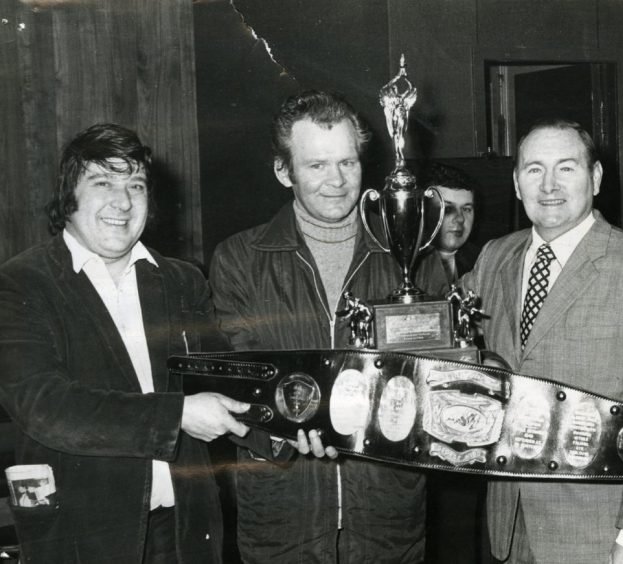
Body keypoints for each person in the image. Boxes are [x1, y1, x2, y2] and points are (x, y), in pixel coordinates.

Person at [209, 91, 448, 563]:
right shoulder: (239, 258)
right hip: (283, 517)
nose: (336, 181)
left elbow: (436, 378)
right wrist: (279, 431)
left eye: (348, 163)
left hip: (388, 519)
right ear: (284, 171)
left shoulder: (415, 259)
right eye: (316, 165)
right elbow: (235, 376)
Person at [0, 123, 251, 563]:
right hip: (83, 538)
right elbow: (45, 406)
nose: (122, 200)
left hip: (185, 532)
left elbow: (223, 379)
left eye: (135, 184)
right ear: (68, 196)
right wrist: (177, 414)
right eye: (102, 182)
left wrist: (294, 427)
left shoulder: (181, 279)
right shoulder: (21, 284)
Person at [461, 118, 623, 563]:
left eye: (567, 168)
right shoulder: (494, 256)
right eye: (534, 169)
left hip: (598, 532)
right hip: (508, 526)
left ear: (595, 178)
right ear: (517, 183)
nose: (549, 185)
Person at [425, 162, 480, 282]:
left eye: (466, 209)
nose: (460, 218)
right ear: (424, 212)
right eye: (448, 209)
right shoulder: (403, 265)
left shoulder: (482, 260)